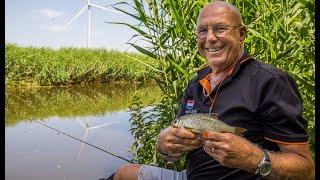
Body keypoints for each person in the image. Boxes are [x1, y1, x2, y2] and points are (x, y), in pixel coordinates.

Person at [111, 1, 315, 180]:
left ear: (241, 34)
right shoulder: (197, 82)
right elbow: (172, 154)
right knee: (124, 173)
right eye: (202, 30)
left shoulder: (271, 81)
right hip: (188, 176)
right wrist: (164, 146)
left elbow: (306, 170)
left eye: (220, 28)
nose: (210, 38)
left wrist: (253, 159)